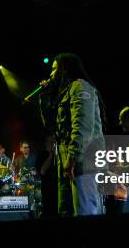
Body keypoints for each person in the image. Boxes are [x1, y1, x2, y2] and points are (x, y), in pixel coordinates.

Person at [39, 53, 106, 217]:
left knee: (85, 210)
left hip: (83, 160)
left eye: (54, 69)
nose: (51, 73)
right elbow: (50, 126)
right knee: (66, 212)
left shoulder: (80, 87)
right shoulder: (64, 93)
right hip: (66, 161)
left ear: (64, 70)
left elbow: (83, 125)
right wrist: (45, 97)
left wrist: (74, 155)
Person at [36, 134, 57, 218]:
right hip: (47, 189)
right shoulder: (41, 155)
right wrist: (50, 155)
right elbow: (42, 171)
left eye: (54, 142)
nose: (52, 144)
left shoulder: (59, 155)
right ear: (46, 143)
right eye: (50, 142)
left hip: (57, 189)